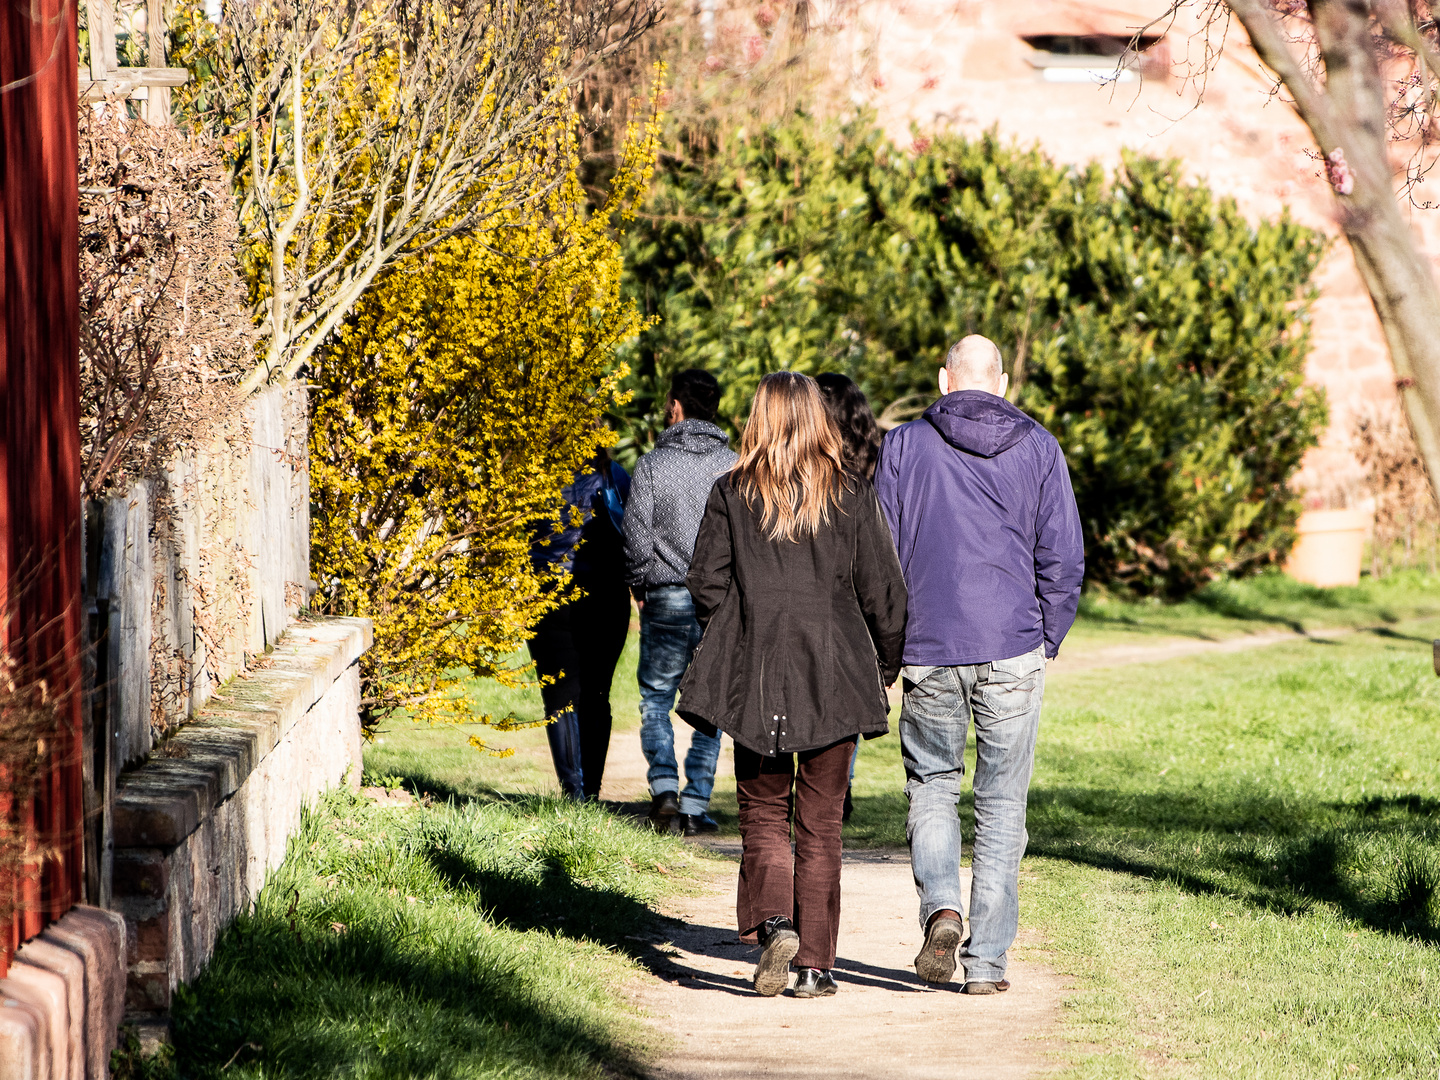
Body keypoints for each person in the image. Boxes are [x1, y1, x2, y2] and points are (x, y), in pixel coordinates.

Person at [680, 372, 907, 999]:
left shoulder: (732, 492)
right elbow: (884, 593)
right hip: (835, 678)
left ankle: (775, 922)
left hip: (755, 676)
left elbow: (705, 584)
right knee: (820, 824)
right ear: (816, 419)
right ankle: (813, 964)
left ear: (758, 419)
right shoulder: (850, 493)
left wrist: (737, 627)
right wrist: (885, 666)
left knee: (762, 811)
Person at [875, 335, 1084, 994]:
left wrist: (889, 639)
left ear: (944, 380)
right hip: (1012, 643)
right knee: (1001, 807)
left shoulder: (904, 446)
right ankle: (987, 963)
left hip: (930, 643)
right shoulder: (1038, 445)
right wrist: (1047, 633)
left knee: (933, 786)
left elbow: (882, 550)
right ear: (1000, 384)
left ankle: (942, 908)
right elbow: (1064, 554)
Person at [623, 369, 737, 836]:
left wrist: (640, 585)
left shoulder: (653, 465)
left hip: (665, 594)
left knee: (656, 697)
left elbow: (634, 537)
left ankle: (665, 788)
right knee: (711, 703)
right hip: (719, 602)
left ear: (675, 407)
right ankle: (695, 802)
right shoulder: (735, 465)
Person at [528, 447, 633, 802]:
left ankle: (573, 792)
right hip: (605, 590)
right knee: (597, 695)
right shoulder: (614, 476)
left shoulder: (535, 478)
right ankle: (592, 791)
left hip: (548, 589)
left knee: (559, 696)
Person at [816, 372, 885, 822]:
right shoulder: (874, 459)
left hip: (820, 581)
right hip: (862, 584)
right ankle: (844, 782)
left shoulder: (808, 458)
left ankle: (829, 783)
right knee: (849, 685)